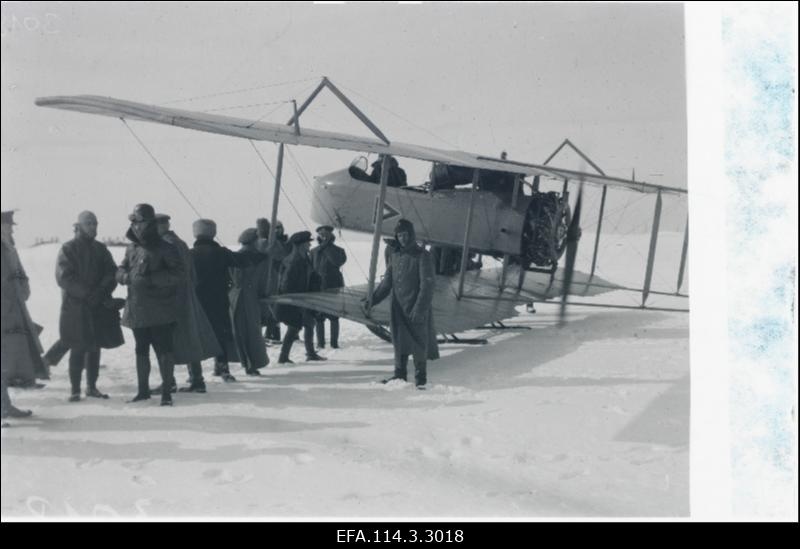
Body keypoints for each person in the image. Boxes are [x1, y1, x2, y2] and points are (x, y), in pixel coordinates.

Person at [117, 204, 185, 406]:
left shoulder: (166, 248)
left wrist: (153, 279)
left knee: (164, 350)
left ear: (150, 223)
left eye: (140, 222)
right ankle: (143, 391)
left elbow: (179, 274)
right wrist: (124, 276)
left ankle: (166, 393)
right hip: (137, 308)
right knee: (141, 349)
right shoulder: (132, 248)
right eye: (134, 222)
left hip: (161, 309)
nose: (136, 226)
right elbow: (121, 267)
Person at [56, 211, 124, 401]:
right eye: (88, 223)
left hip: (97, 305)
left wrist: (101, 291)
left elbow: (112, 272)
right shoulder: (68, 248)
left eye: (95, 223)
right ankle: (75, 390)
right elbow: (64, 277)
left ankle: (91, 387)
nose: (93, 227)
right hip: (76, 307)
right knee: (77, 346)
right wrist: (87, 294)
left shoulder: (101, 249)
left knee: (95, 347)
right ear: (78, 226)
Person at [368, 219, 439, 389]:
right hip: (398, 309)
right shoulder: (395, 256)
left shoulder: (422, 256)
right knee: (399, 342)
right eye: (400, 235)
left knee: (418, 343)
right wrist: (372, 300)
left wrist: (419, 308)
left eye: (406, 234)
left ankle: (421, 379)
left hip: (416, 308)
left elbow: (427, 285)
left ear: (412, 235)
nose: (403, 238)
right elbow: (387, 283)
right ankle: (399, 376)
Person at [155, 214, 221, 393]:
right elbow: (193, 275)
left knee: (164, 342)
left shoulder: (164, 245)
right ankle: (197, 380)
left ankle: (169, 382)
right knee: (189, 339)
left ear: (161, 226)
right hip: (187, 297)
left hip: (171, 300)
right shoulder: (181, 243)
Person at [1, 210, 43, 420]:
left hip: (12, 312)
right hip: (4, 312)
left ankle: (5, 406)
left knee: (6, 362)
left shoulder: (8, 248)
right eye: (7, 225)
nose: (10, 228)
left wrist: (23, 288)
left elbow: (18, 274)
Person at [190, 218, 240, 382]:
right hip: (219, 299)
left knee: (195, 335)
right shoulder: (221, 253)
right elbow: (242, 260)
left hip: (196, 301)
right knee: (221, 334)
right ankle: (222, 367)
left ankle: (194, 374)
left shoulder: (190, 254)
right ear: (214, 233)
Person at [275, 231, 326, 364]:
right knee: (293, 327)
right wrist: (296, 298)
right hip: (296, 300)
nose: (309, 245)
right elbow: (286, 284)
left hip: (304, 298)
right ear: (300, 245)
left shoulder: (303, 257)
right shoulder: (293, 261)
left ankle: (311, 353)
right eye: (307, 243)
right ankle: (283, 357)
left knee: (309, 324)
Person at [230, 228, 270, 374]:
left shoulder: (240, 255)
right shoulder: (254, 257)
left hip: (240, 297)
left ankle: (249, 363)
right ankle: (250, 364)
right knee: (248, 331)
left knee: (245, 330)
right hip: (245, 297)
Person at [310, 225, 347, 349]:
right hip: (318, 288)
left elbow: (337, 262)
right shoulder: (314, 252)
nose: (323, 237)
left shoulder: (339, 250)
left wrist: (326, 246)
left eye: (326, 234)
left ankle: (334, 343)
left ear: (331, 236)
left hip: (334, 287)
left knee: (334, 316)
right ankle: (320, 343)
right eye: (321, 234)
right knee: (319, 317)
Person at [264, 220, 290, 342]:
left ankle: (292, 333)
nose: (277, 230)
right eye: (274, 228)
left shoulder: (287, 243)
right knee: (272, 306)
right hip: (272, 277)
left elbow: (285, 256)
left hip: (284, 277)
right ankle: (272, 333)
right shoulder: (268, 242)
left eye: (279, 227)